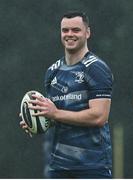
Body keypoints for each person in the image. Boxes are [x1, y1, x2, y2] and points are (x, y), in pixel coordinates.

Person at [20, 11, 113, 178]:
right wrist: (39, 120)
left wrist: (55, 113)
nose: (69, 34)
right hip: (58, 166)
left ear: (87, 32)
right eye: (65, 30)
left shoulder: (96, 68)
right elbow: (58, 117)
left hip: (92, 166)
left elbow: (99, 117)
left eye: (76, 30)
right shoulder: (52, 72)